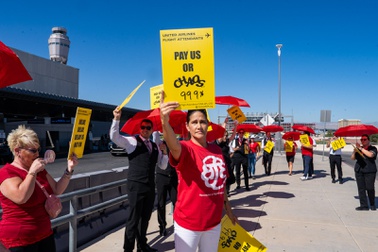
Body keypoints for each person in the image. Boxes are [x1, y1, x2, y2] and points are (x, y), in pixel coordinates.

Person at [160, 99, 238, 252]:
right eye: (194, 122)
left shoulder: (216, 150)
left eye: (202, 122)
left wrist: (228, 210)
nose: (199, 126)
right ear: (187, 127)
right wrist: (164, 121)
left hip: (213, 223)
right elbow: (172, 145)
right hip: (188, 225)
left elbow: (221, 185)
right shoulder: (185, 149)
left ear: (208, 125)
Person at [0, 125, 78, 251]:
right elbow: (21, 197)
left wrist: (69, 169)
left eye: (38, 149)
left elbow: (57, 189)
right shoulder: (7, 173)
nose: (37, 154)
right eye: (33, 150)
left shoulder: (39, 171)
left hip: (44, 234)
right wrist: (31, 173)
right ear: (17, 151)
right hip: (19, 240)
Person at [110, 108, 168, 252]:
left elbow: (162, 165)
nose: (145, 130)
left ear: (152, 129)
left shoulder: (155, 147)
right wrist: (116, 119)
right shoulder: (132, 142)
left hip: (149, 186)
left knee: (146, 217)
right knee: (133, 219)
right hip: (135, 185)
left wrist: (165, 153)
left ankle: (142, 245)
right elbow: (115, 137)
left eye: (148, 128)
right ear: (139, 128)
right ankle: (128, 249)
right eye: (143, 127)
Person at [152, 132, 178, 237]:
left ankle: (177, 224)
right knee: (161, 203)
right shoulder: (159, 144)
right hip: (161, 176)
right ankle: (162, 226)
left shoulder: (175, 145)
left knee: (176, 201)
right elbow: (155, 136)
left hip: (173, 176)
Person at [351, 134, 377, 211]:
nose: (363, 141)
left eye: (365, 139)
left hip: (369, 170)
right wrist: (354, 151)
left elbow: (370, 155)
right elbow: (352, 158)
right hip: (359, 170)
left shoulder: (373, 148)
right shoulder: (359, 149)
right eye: (361, 139)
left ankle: (372, 203)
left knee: (370, 188)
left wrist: (361, 149)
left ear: (368, 140)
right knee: (361, 188)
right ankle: (364, 205)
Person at [214, 119, 237, 196]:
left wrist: (236, 126)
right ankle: (223, 195)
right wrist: (224, 123)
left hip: (227, 163)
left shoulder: (226, 142)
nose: (226, 137)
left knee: (229, 179)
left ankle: (226, 192)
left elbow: (233, 136)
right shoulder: (218, 142)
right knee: (222, 181)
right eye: (225, 135)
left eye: (226, 135)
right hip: (220, 165)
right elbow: (220, 134)